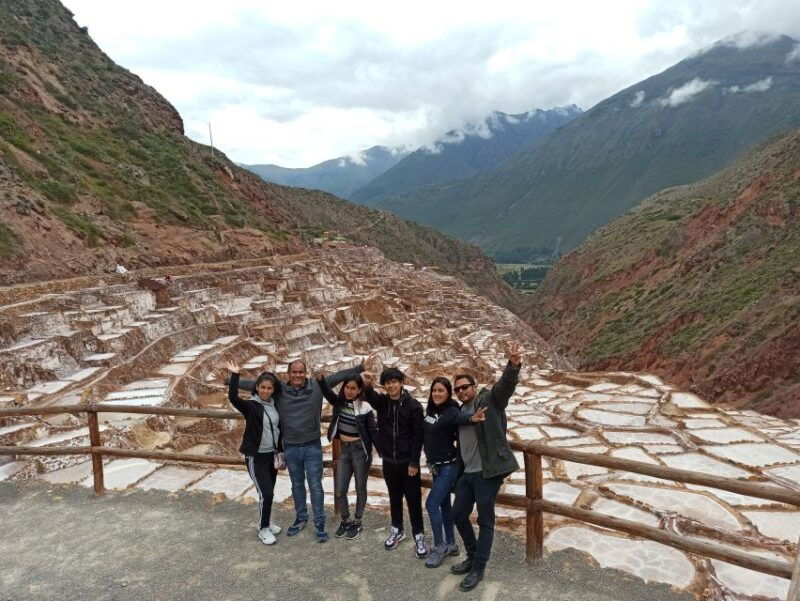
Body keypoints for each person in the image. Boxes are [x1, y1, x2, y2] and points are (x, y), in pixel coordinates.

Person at [235, 358, 367, 542]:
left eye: (301, 372)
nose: (298, 375)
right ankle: (301, 518)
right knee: (296, 485)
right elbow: (256, 384)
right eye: (294, 372)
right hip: (290, 447)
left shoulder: (316, 385)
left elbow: (338, 376)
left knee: (315, 486)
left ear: (306, 373)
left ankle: (319, 523)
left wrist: (360, 367)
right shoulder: (280, 388)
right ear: (288, 374)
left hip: (312, 446)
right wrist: (230, 380)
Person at [450, 342, 522, 592]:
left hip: (487, 473)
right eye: (457, 389)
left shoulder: (488, 400)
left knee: (485, 520)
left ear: (474, 386)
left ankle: (478, 568)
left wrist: (513, 366)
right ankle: (472, 556)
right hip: (467, 473)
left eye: (465, 387)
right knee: (458, 514)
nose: (461, 391)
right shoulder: (460, 411)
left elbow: (505, 388)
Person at [422, 377, 486, 568]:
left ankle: (440, 546)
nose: (437, 394)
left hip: (448, 467)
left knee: (431, 504)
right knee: (443, 505)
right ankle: (451, 544)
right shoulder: (432, 410)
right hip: (435, 467)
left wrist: (472, 419)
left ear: (448, 393)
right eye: (434, 390)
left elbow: (461, 418)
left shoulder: (451, 411)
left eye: (441, 390)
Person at [362, 367, 426, 558]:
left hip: (408, 463)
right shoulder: (383, 403)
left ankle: (419, 535)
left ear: (401, 383)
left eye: (394, 381)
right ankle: (397, 529)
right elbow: (370, 395)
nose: (391, 385)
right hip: (389, 461)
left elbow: (418, 437)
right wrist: (368, 384)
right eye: (388, 382)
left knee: (413, 499)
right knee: (394, 497)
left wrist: (414, 462)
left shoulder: (414, 406)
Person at [224, 360, 282, 545]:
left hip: (272, 456)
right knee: (266, 494)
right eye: (262, 387)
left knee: (269, 492)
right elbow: (233, 398)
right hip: (256, 457)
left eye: (269, 388)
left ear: (273, 390)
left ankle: (267, 523)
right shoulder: (251, 406)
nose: (265, 391)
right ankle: (263, 529)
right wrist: (235, 375)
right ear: (257, 388)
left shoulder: (274, 405)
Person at [317, 373, 379, 540]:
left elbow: (373, 431)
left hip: (360, 451)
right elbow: (327, 392)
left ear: (359, 390)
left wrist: (383, 452)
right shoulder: (340, 402)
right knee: (340, 490)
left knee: (360, 488)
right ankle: (345, 520)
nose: (349, 391)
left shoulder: (365, 407)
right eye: (347, 387)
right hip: (344, 450)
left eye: (353, 388)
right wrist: (321, 380)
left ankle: (358, 521)